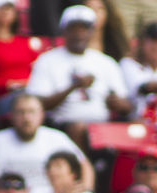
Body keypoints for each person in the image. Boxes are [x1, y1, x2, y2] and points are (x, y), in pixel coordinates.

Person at [25, 4, 131, 144]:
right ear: (64, 31)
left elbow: (126, 106)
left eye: (84, 29)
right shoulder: (47, 60)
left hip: (102, 126)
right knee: (78, 128)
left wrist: (115, 102)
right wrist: (73, 87)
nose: (79, 34)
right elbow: (38, 103)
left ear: (92, 31)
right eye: (74, 29)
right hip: (60, 125)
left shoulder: (105, 62)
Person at [0, 93, 92, 193]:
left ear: (41, 115)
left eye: (32, 112)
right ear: (11, 116)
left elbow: (84, 165)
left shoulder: (57, 138)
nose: (26, 118)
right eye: (21, 112)